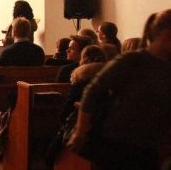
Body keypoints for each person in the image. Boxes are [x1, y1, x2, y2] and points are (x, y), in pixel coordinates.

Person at [68, 10, 171, 169]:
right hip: (117, 143)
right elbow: (93, 90)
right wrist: (80, 132)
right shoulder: (133, 60)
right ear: (166, 35)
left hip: (151, 147)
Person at [59, 45, 107, 122]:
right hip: (105, 118)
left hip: (82, 117)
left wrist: (63, 117)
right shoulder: (109, 73)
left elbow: (71, 101)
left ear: (84, 58)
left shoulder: (81, 75)